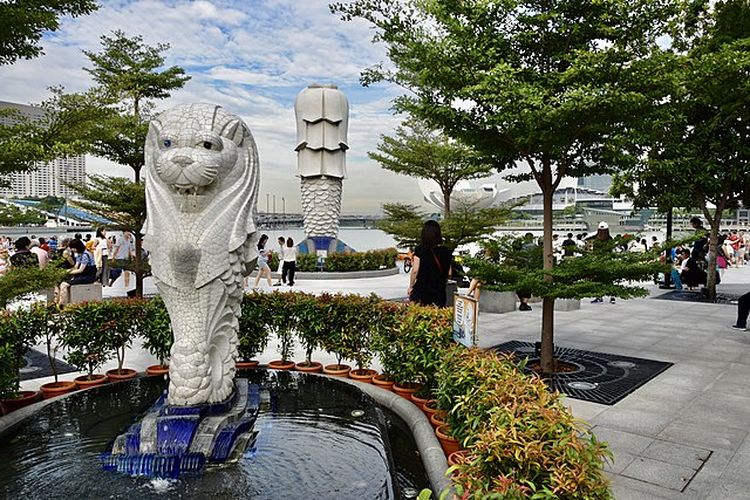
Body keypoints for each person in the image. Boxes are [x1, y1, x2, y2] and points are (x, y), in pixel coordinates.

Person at [408, 220, 453, 307]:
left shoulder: (420, 250)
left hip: (422, 291)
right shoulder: (446, 251)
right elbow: (449, 273)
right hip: (439, 293)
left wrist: (411, 286)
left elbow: (415, 270)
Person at [58, 238, 97, 305]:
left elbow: (80, 270)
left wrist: (66, 272)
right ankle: (62, 302)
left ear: (77, 247)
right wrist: (68, 271)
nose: (72, 249)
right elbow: (76, 267)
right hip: (82, 275)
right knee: (61, 282)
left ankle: (61, 304)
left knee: (63, 285)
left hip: (88, 276)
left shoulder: (85, 255)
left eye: (72, 248)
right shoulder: (80, 254)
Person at [589, 222, 616, 304]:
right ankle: (602, 297)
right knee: (600, 280)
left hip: (604, 262)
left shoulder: (604, 239)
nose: (602, 233)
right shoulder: (601, 239)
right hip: (602, 261)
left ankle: (610, 297)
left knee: (607, 280)